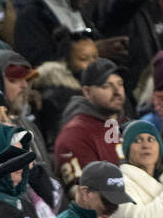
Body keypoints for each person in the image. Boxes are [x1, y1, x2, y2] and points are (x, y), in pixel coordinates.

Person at [53, 58, 127, 190]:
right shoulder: (75, 135)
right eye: (106, 86)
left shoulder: (126, 123)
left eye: (120, 84)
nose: (117, 92)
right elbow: (86, 196)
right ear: (87, 92)